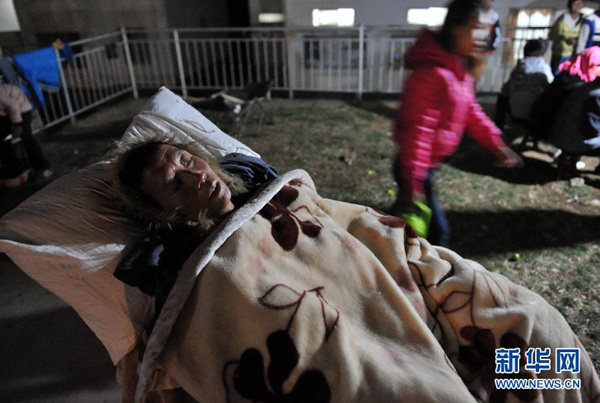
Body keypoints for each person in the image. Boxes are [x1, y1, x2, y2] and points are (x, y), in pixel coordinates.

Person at [391, 0, 523, 248]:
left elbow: (471, 111)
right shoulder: (432, 72)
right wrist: (413, 183)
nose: (485, 36)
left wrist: (496, 144)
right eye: (477, 27)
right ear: (455, 27)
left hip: (424, 166)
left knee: (410, 229)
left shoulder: (457, 67)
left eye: (487, 29)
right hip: (414, 166)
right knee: (435, 232)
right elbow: (417, 131)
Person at [528, 46, 600, 178]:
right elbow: (588, 127)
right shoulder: (579, 85)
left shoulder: (567, 75)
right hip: (551, 129)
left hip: (543, 124)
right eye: (597, 65)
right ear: (587, 62)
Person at [494, 39, 553, 130]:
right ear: (542, 54)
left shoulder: (520, 67)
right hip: (537, 115)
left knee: (502, 97)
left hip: (515, 113)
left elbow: (506, 90)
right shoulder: (545, 68)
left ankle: (498, 128)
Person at [0, 81, 52, 183]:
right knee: (4, 140)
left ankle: (43, 167)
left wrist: (17, 125)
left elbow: (13, 105)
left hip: (21, 109)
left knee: (26, 137)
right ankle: (12, 170)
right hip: (6, 111)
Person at [550, 0, 585, 74]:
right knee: (556, 72)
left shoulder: (582, 19)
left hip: (574, 52)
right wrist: (567, 38)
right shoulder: (563, 18)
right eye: (575, 4)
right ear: (570, 5)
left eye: (580, 4)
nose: (578, 6)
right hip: (559, 52)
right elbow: (554, 34)